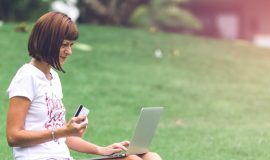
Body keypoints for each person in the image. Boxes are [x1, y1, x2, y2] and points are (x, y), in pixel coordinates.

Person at [6, 11, 162, 160]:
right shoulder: (27, 76)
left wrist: (101, 149)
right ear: (48, 42)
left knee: (150, 156)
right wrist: (62, 131)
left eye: (71, 45)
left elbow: (62, 137)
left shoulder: (53, 78)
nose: (69, 51)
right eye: (64, 45)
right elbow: (13, 136)